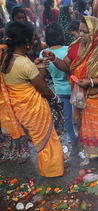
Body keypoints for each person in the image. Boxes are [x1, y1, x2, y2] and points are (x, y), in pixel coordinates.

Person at [42, 16, 98, 160]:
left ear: (95, 32)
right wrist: (54, 59)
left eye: (85, 32)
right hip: (83, 97)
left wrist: (91, 82)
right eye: (80, 31)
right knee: (90, 129)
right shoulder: (75, 46)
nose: (80, 35)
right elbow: (66, 66)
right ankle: (94, 151)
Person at [0, 21, 64, 177]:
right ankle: (52, 171)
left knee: (39, 139)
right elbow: (44, 89)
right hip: (34, 109)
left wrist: (34, 66)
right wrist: (56, 97)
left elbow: (20, 78)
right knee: (48, 139)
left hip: (21, 109)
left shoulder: (6, 57)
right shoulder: (23, 63)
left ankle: (50, 167)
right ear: (27, 41)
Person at [38, 22, 77, 146]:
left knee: (67, 118)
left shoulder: (44, 53)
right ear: (61, 35)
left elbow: (43, 74)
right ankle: (84, 137)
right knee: (79, 116)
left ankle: (73, 138)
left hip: (60, 91)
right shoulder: (69, 49)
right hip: (75, 89)